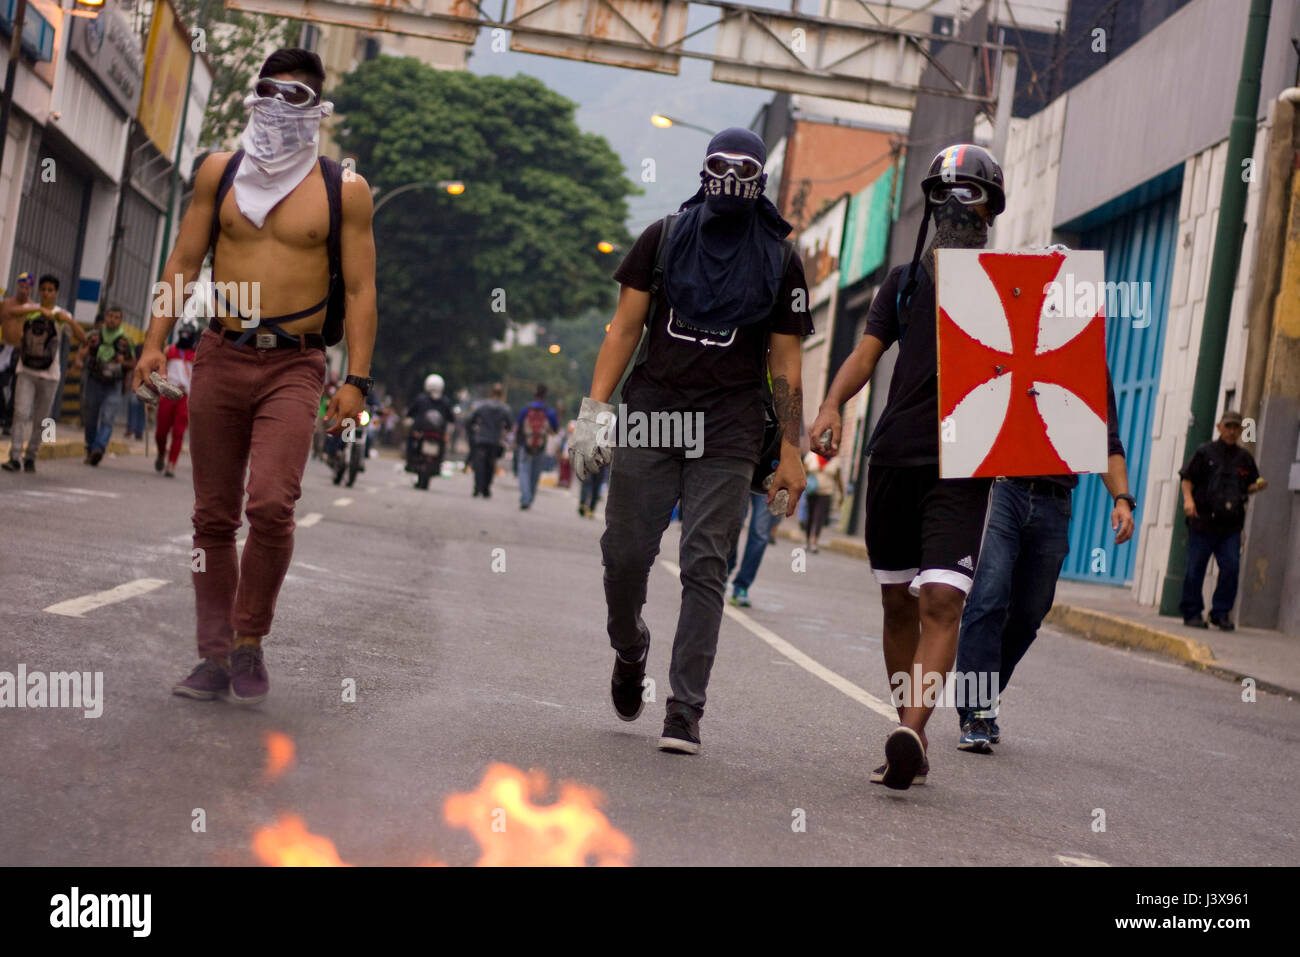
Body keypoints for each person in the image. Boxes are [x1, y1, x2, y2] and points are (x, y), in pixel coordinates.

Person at [135, 48, 378, 706]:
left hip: (294, 364)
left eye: (294, 95)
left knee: (270, 503)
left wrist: (356, 380)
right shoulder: (221, 172)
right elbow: (184, 260)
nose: (277, 103)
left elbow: (359, 288)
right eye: (267, 90)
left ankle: (250, 637)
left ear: (319, 109)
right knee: (213, 517)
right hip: (220, 351)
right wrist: (155, 341)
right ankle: (213, 656)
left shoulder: (343, 189)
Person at [569, 127, 812, 755]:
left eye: (745, 168)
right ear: (703, 172)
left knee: (707, 564)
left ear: (762, 180)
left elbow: (785, 361)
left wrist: (791, 449)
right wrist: (595, 410)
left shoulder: (782, 261)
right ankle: (630, 648)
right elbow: (625, 328)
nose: (731, 176)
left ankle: (684, 709)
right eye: (719, 165)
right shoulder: (664, 238)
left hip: (729, 428)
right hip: (653, 414)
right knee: (624, 555)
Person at [811, 143, 1006, 790]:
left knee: (944, 599)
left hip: (965, 466)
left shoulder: (1016, 288)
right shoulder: (903, 284)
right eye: (943, 193)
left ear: (991, 208)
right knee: (897, 601)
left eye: (968, 193)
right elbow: (865, 356)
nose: (954, 206)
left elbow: (1047, 373)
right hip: (894, 458)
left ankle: (912, 728)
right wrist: (833, 404)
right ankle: (910, 731)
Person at [954, 371, 1134, 753]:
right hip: (1003, 489)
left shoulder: (1083, 359)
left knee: (1029, 612)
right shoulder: (1005, 343)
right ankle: (976, 711)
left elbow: (1105, 440)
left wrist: (1122, 499)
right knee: (988, 597)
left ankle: (986, 697)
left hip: (1055, 498)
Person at [1178, 409, 1267, 630]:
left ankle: (1220, 613)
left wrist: (1258, 486)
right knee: (1195, 567)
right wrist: (1188, 501)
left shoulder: (1244, 459)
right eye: (1228, 426)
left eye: (1236, 427)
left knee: (1231, 568)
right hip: (1203, 521)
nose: (1232, 431)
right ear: (1220, 427)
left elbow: (1249, 485)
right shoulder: (1204, 452)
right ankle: (1192, 612)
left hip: (1230, 525)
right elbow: (1187, 478)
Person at [2, 274, 86, 472]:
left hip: (50, 374)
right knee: (20, 413)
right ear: (38, 291)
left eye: (51, 290)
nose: (47, 293)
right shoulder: (30, 310)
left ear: (56, 293)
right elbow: (10, 312)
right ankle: (14, 457)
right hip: (26, 370)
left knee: (41, 419)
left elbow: (82, 337)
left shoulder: (61, 315)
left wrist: (69, 321)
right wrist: (37, 309)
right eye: (44, 289)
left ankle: (31, 455)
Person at [79, 305, 136, 465]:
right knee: (90, 417)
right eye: (110, 316)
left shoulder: (126, 341)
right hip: (94, 381)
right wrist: (78, 360)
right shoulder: (95, 337)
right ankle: (90, 447)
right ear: (105, 318)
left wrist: (122, 362)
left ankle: (99, 448)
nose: (112, 320)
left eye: (116, 317)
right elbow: (81, 351)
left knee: (107, 418)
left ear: (121, 320)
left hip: (114, 384)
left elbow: (133, 362)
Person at [153, 319, 199, 478]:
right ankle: (161, 453)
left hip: (185, 398)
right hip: (167, 395)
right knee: (161, 431)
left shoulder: (197, 356)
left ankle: (171, 464)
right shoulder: (170, 351)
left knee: (178, 433)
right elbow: (160, 370)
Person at [726, 491, 783, 607]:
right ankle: (723, 572)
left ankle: (742, 586)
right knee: (731, 522)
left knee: (760, 532)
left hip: (770, 476)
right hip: (740, 473)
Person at [1, 271, 38, 435]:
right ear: (17, 286)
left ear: (31, 289)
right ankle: (1, 413)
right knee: (1, 384)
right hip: (4, 348)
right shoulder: (6, 304)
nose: (24, 290)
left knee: (17, 388)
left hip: (22, 351)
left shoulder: (32, 308)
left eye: (27, 288)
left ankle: (8, 421)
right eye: (22, 286)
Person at [466, 382, 512, 498]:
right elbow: (509, 425)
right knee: (490, 465)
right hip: (494, 440)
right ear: (501, 394)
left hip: (481, 439)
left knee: (479, 464)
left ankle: (477, 488)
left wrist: (474, 431)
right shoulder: (504, 409)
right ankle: (486, 489)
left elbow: (471, 420)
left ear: (491, 392)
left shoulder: (482, 406)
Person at [516, 384, 558, 510]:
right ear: (545, 396)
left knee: (524, 471)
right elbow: (555, 429)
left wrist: (519, 443)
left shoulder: (526, 409)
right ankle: (530, 498)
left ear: (534, 394)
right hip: (540, 446)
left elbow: (519, 426)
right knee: (535, 473)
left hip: (526, 445)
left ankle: (525, 497)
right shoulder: (550, 412)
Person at [802, 449, 842, 553]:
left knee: (819, 517)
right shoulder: (812, 455)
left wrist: (841, 494)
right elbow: (803, 472)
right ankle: (806, 541)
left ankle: (814, 542)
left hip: (826, 492)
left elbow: (838, 479)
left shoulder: (835, 459)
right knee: (810, 516)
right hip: (811, 491)